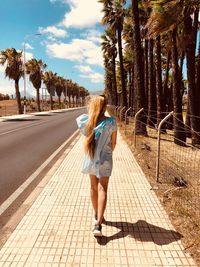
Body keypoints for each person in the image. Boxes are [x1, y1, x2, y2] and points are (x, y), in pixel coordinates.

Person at [76, 95, 117, 237]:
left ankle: (97, 215)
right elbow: (114, 143)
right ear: (105, 107)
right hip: (105, 158)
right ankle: (98, 224)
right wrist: (106, 153)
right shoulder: (111, 122)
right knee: (102, 188)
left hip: (91, 157)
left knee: (93, 187)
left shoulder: (87, 122)